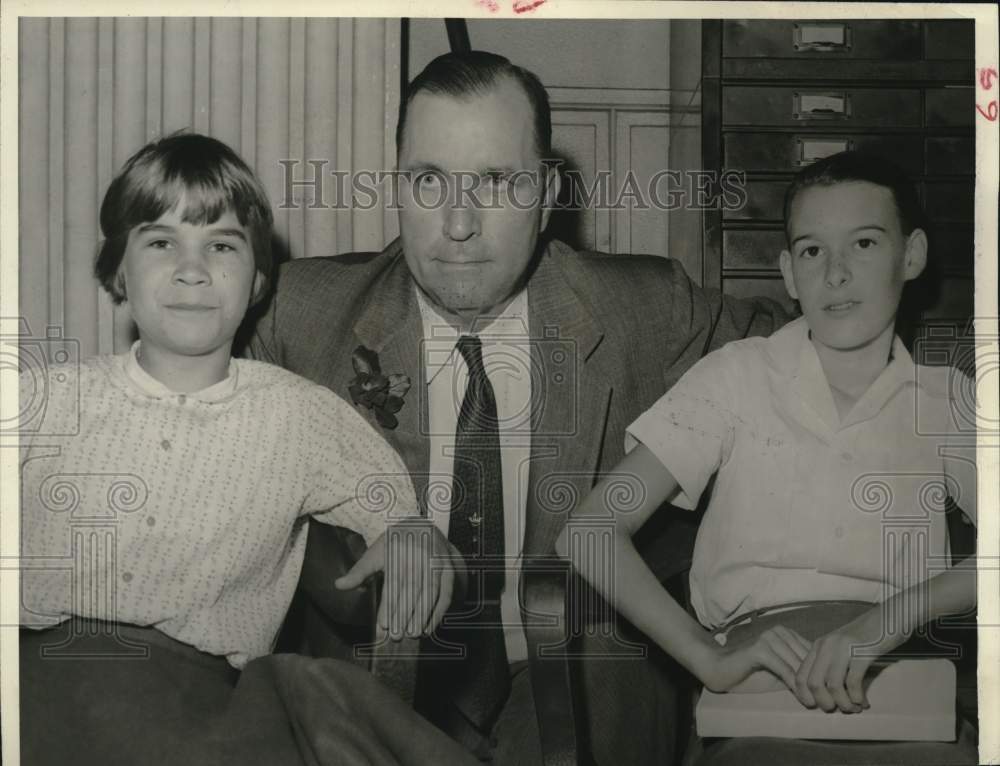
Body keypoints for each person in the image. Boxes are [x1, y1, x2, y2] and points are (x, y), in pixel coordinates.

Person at [249, 50, 793, 765]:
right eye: (429, 180)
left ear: (547, 194)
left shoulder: (644, 308)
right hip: (376, 706)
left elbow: (818, 340)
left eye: (497, 182)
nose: (458, 223)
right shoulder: (299, 315)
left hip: (584, 694)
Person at [18, 132, 473, 766]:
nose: (192, 268)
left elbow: (389, 503)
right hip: (37, 684)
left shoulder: (297, 415)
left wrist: (409, 531)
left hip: (202, 707)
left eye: (222, 245)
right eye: (159, 242)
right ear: (119, 268)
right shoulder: (43, 400)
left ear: (258, 278)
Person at [558, 151, 978, 765]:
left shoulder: (950, 401)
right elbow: (589, 531)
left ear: (910, 256)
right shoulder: (737, 377)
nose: (835, 273)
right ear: (787, 271)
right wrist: (708, 658)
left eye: (863, 243)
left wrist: (891, 619)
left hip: (904, 680)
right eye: (812, 250)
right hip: (761, 690)